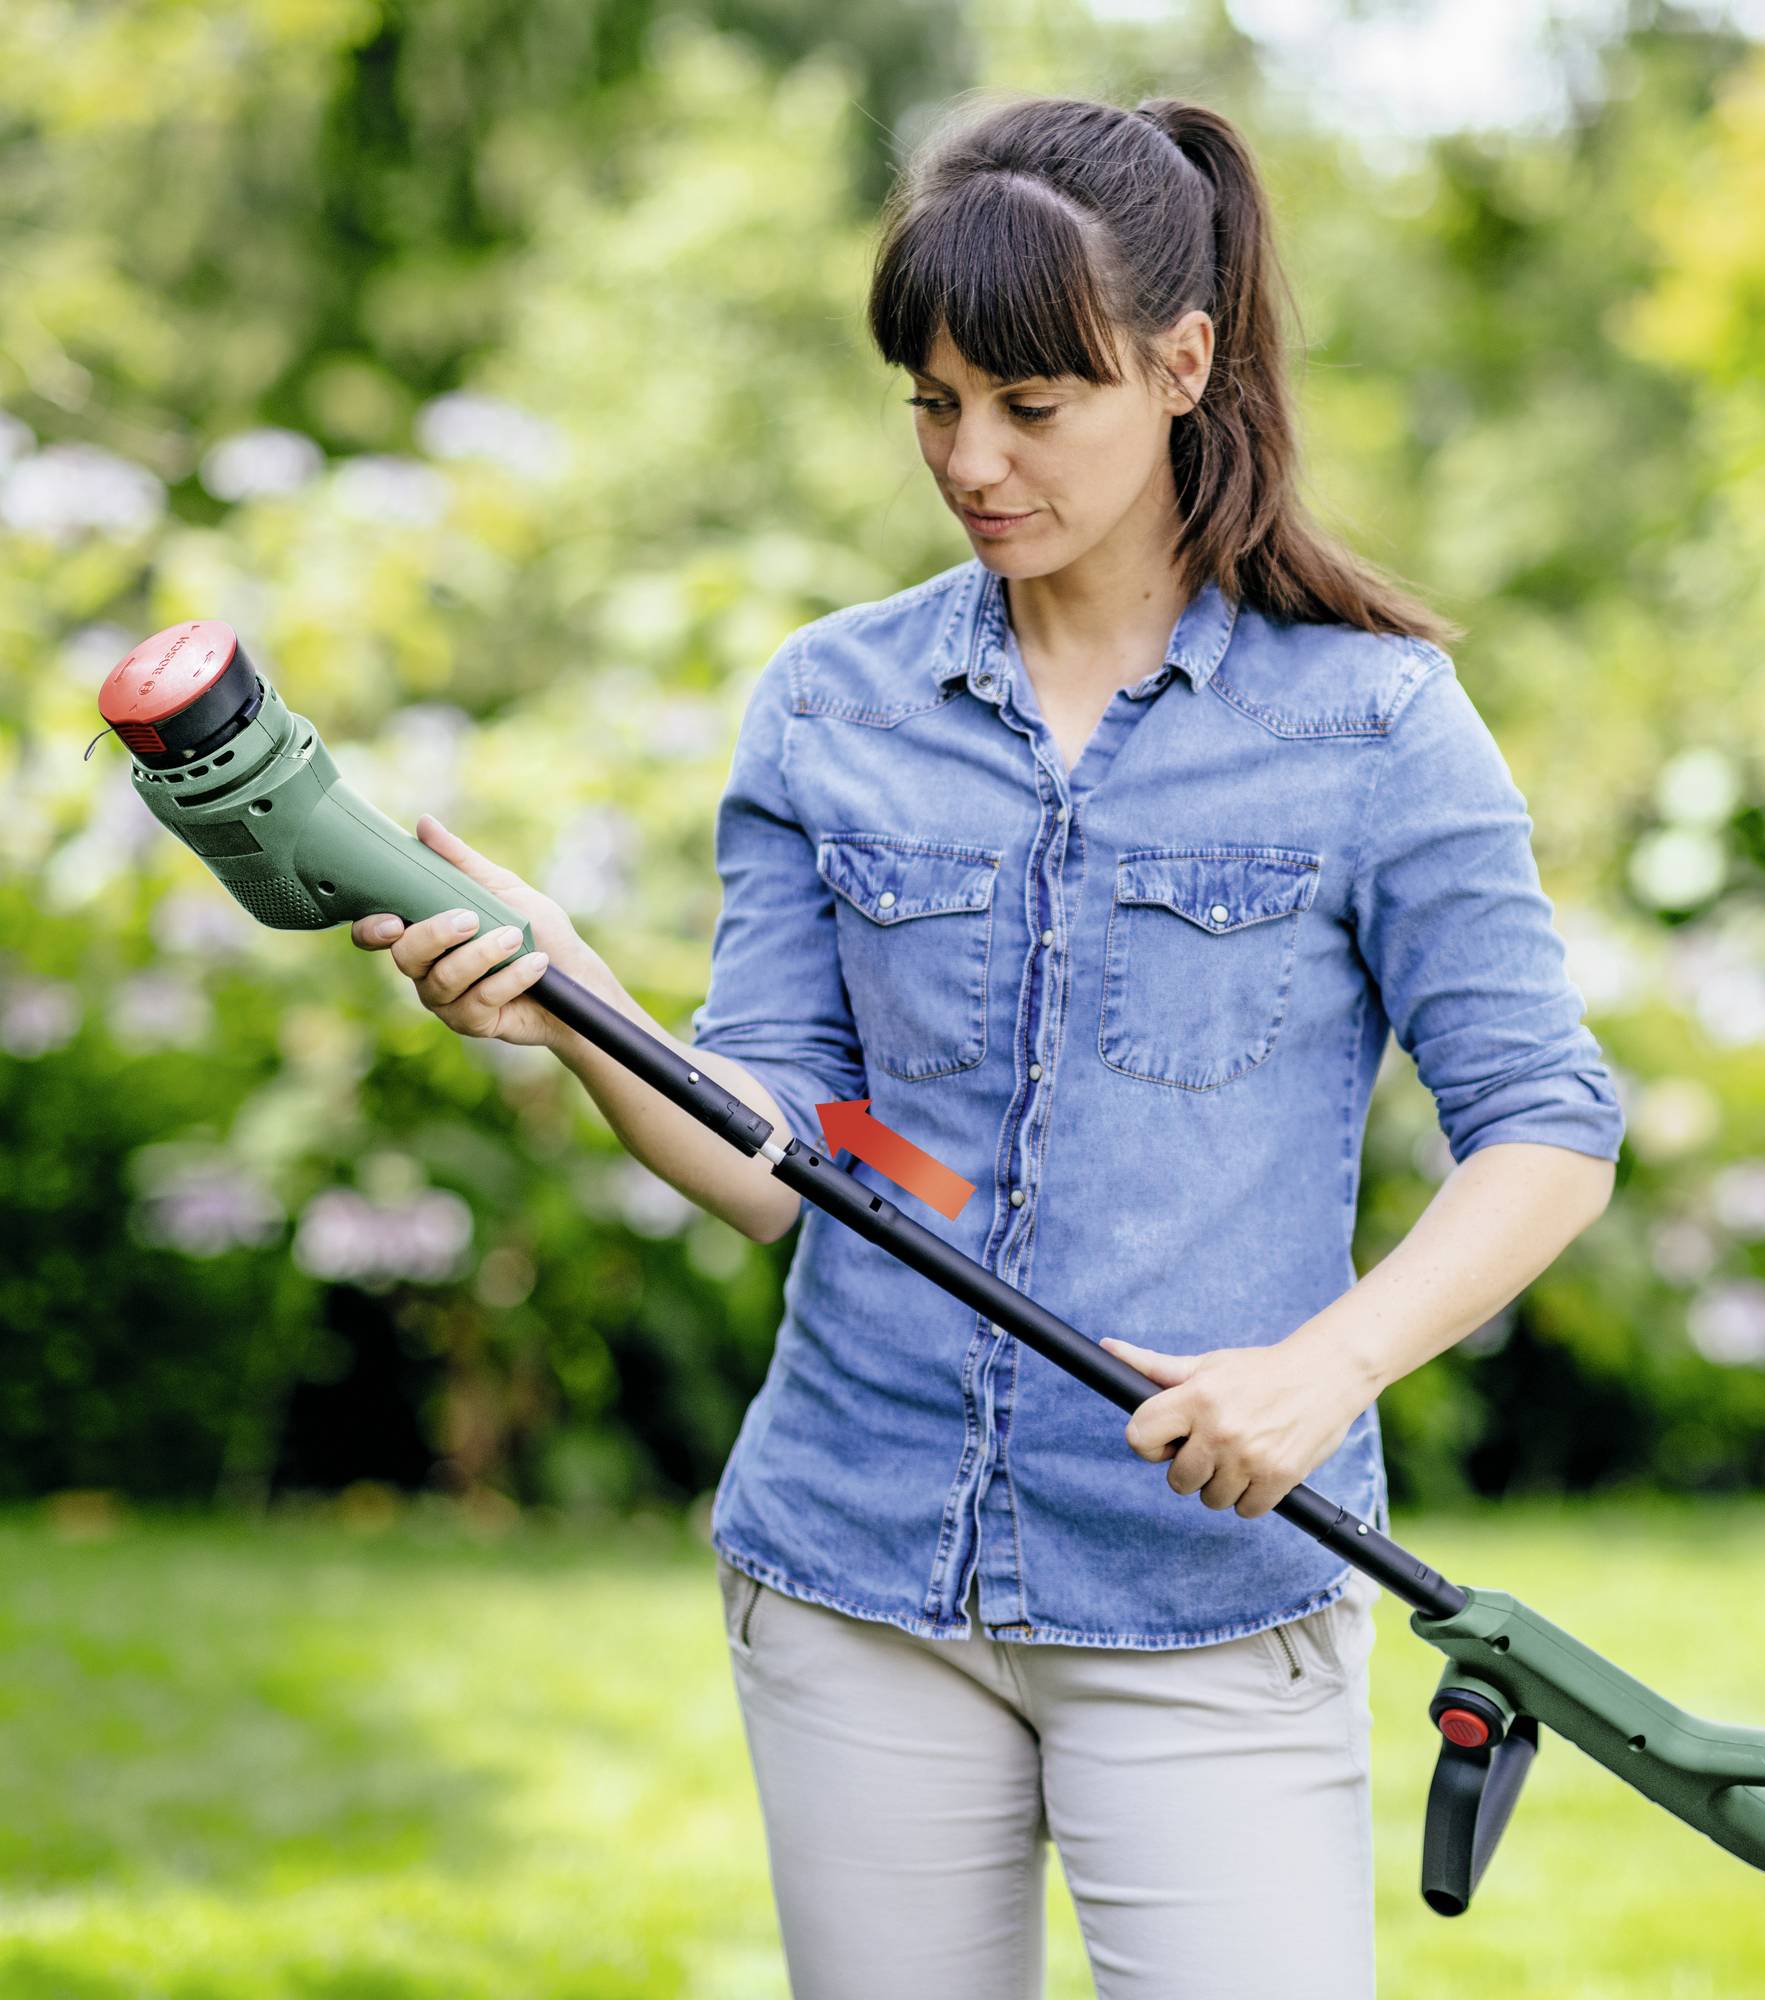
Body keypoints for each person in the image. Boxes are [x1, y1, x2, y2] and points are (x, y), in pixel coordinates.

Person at [351, 89, 1624, 2000]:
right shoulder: (833, 704)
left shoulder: (1373, 728)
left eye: (1035, 406)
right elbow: (790, 1158)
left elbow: (1547, 1129)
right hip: (856, 1569)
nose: (974, 460)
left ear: (1184, 364)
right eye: (935, 404)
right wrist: (573, 1005)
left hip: (1205, 1594)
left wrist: (1320, 1374)